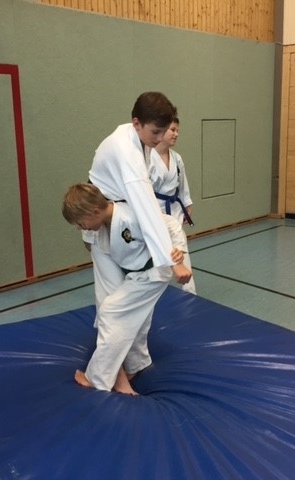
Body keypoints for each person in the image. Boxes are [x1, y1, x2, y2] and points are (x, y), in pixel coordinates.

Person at [63, 183, 192, 395]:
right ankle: (136, 363)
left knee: (110, 312)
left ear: (94, 212)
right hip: (137, 275)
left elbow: (171, 225)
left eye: (80, 223)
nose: (80, 228)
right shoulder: (106, 223)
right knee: (132, 317)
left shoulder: (131, 216)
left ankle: (97, 377)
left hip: (152, 275)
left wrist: (178, 253)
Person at [85, 92, 184, 309]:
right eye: (155, 132)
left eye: (163, 131)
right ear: (137, 123)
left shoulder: (135, 137)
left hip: (119, 217)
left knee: (129, 291)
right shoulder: (126, 151)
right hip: (99, 220)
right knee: (112, 296)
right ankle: (108, 331)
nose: (160, 138)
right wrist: (172, 261)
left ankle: (131, 333)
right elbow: (146, 207)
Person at [149, 116, 196, 294]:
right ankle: (157, 293)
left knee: (181, 250)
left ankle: (190, 293)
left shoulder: (177, 158)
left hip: (174, 210)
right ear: (161, 131)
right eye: (172, 130)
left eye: (177, 131)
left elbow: (182, 185)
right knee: (158, 256)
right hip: (155, 211)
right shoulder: (148, 158)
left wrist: (187, 204)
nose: (176, 134)